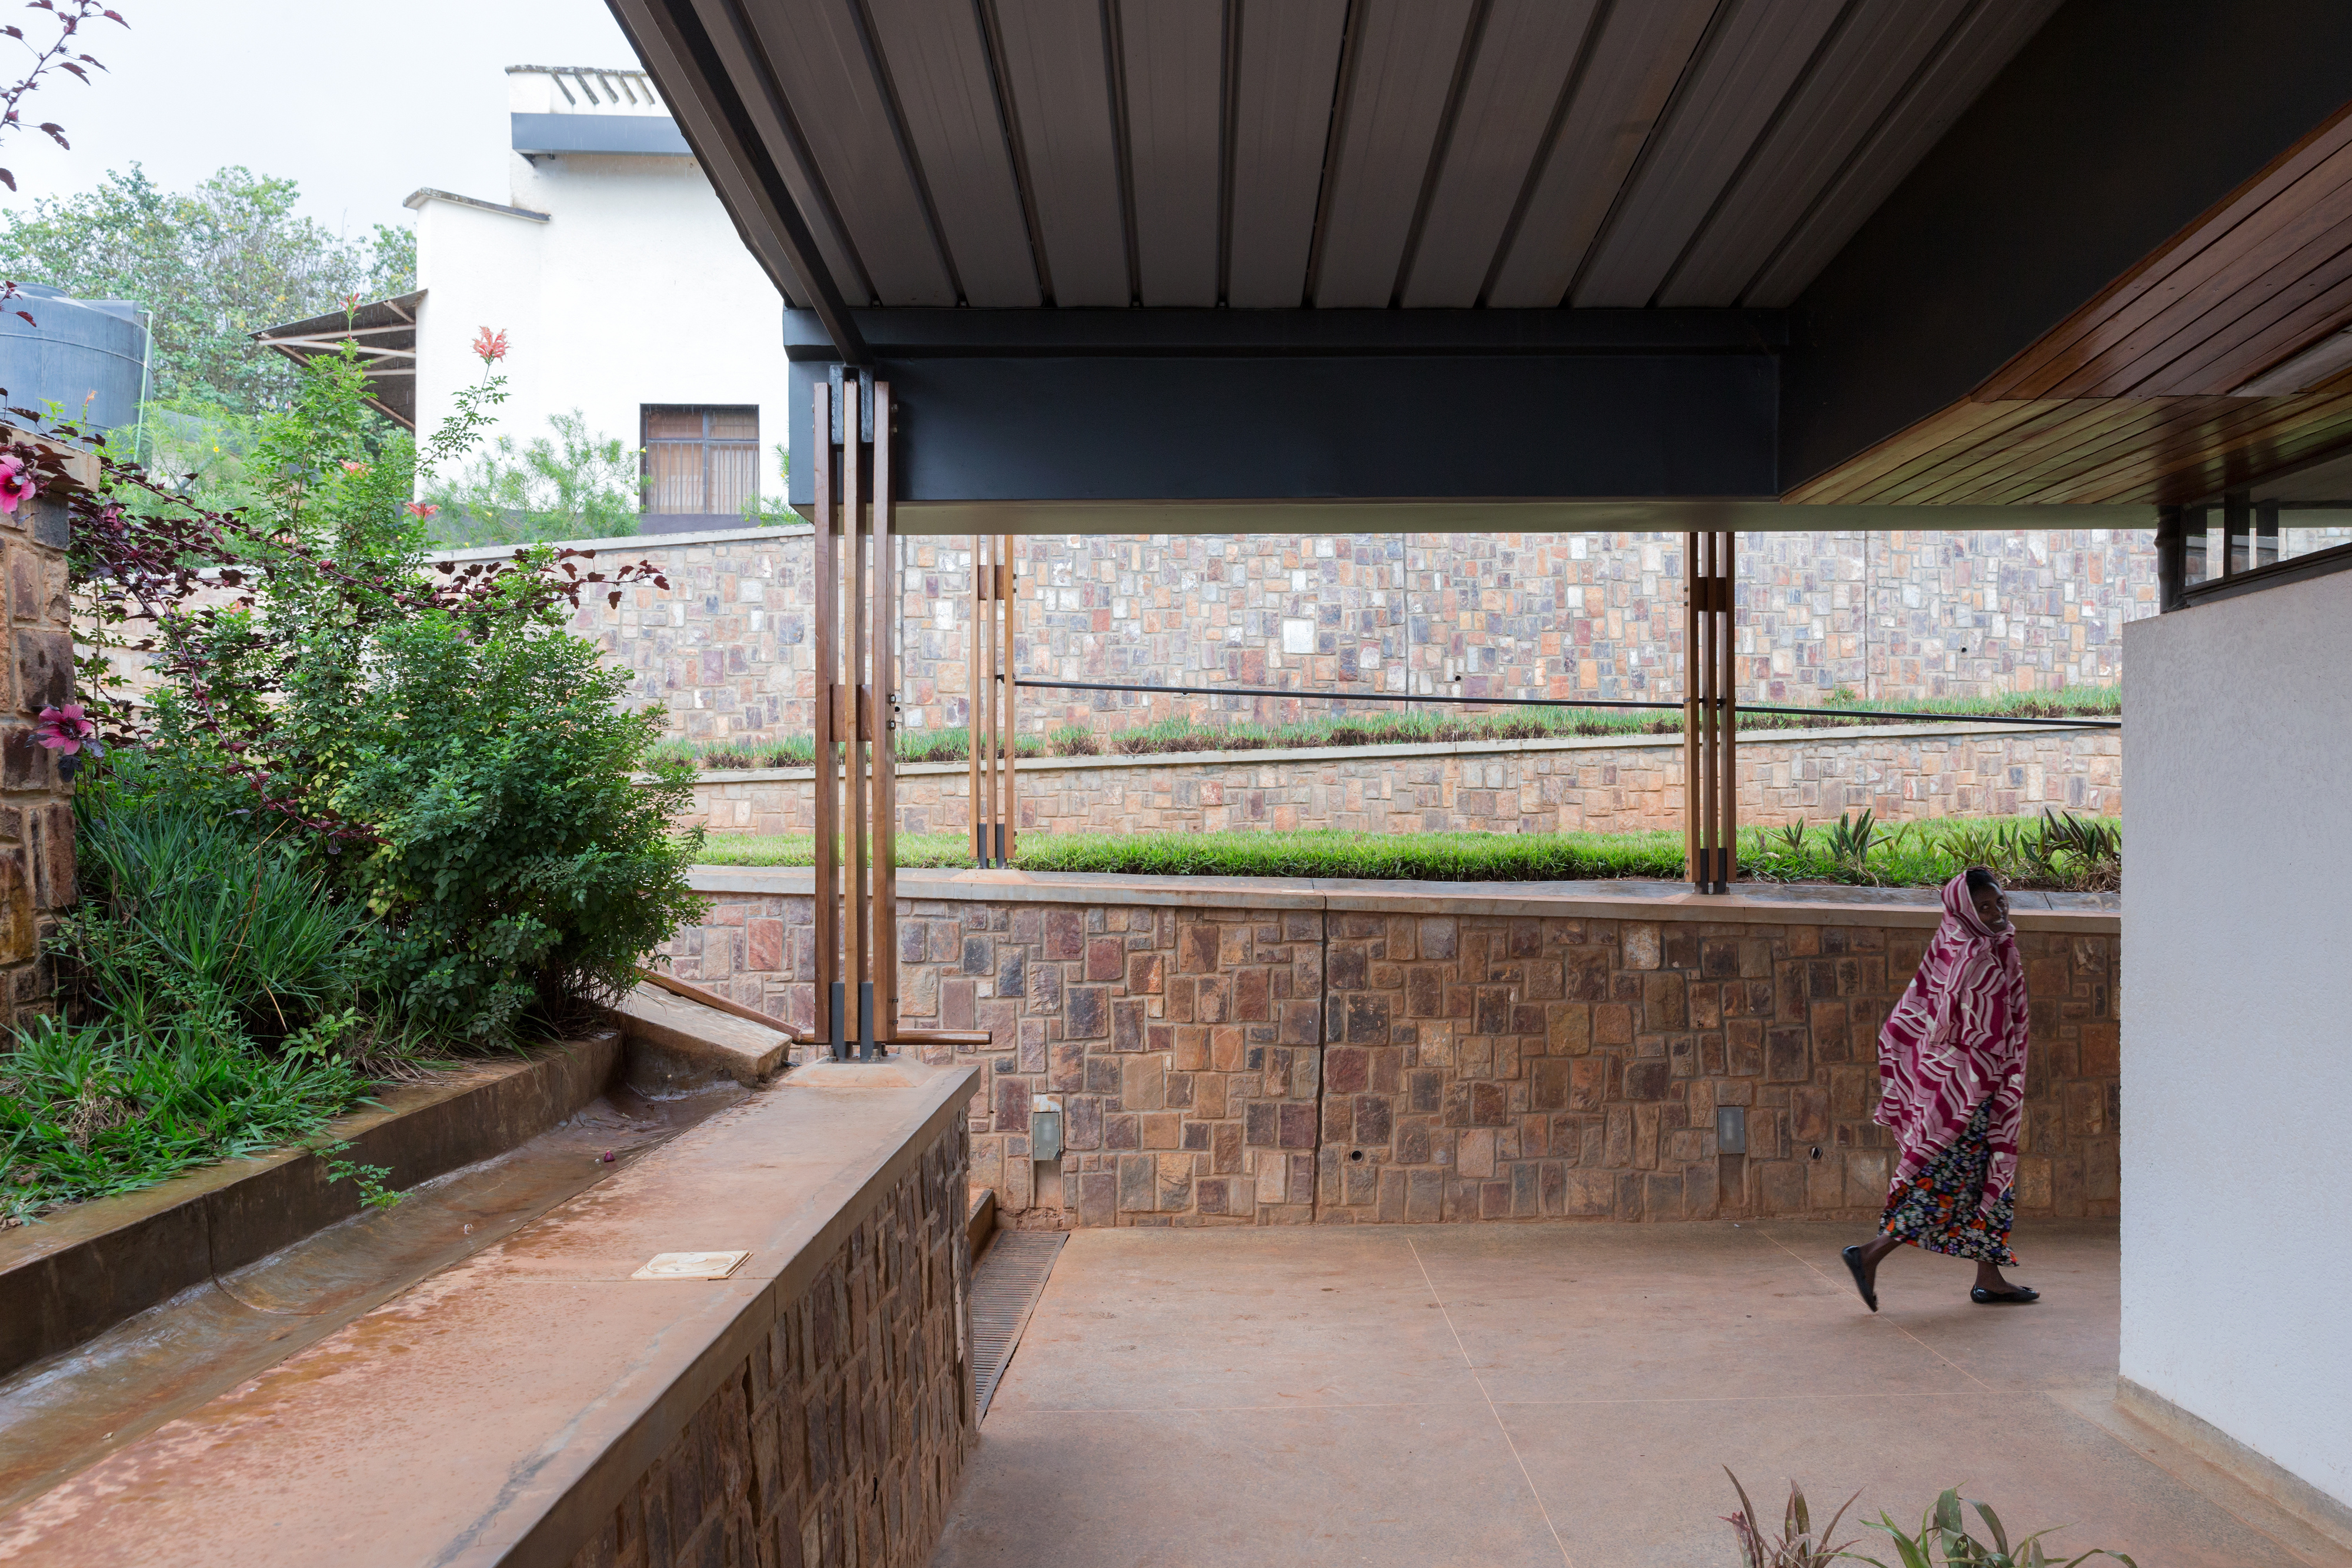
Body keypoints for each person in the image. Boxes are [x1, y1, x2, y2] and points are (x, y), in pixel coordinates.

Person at [1842, 866, 2036, 1310]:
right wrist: (1981, 1085)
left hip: (1978, 1088)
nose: (1995, 912)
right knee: (1942, 1184)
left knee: (1990, 1180)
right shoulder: (1973, 955)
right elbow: (1963, 1029)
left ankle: (1990, 1278)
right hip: (1967, 1094)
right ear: (1965, 911)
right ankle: (1868, 1254)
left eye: (1999, 902)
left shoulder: (1982, 946)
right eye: (1983, 907)